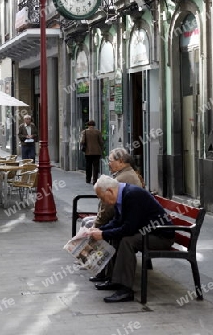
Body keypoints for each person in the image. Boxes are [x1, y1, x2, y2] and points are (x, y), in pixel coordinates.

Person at [90, 175, 175, 303]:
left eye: (102, 198)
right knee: (118, 237)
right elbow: (117, 221)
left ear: (110, 191)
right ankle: (114, 279)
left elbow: (128, 229)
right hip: (146, 232)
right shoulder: (122, 195)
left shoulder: (132, 195)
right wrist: (101, 230)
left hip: (161, 236)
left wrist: (103, 234)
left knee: (127, 241)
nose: (103, 202)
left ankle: (126, 290)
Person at [86, 148, 144, 282]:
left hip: (149, 229)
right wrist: (101, 229)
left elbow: (111, 210)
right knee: (97, 228)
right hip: (131, 222)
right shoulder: (122, 176)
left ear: (121, 161)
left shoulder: (123, 180)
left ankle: (109, 275)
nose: (108, 163)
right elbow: (118, 216)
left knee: (122, 239)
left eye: (110, 161)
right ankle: (103, 271)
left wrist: (101, 229)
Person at [80, 120, 103, 185]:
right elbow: (101, 142)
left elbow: (82, 141)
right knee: (96, 166)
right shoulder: (98, 132)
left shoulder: (84, 132)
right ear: (94, 125)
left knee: (88, 166)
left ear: (88, 125)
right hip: (97, 152)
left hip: (88, 152)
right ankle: (95, 180)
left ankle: (88, 179)